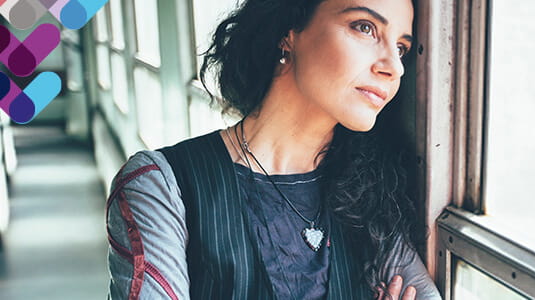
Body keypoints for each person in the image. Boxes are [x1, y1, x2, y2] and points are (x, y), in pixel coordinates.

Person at [105, 0, 441, 299]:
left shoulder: (367, 190)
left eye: (400, 48)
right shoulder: (161, 185)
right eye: (365, 28)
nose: (394, 67)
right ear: (289, 30)